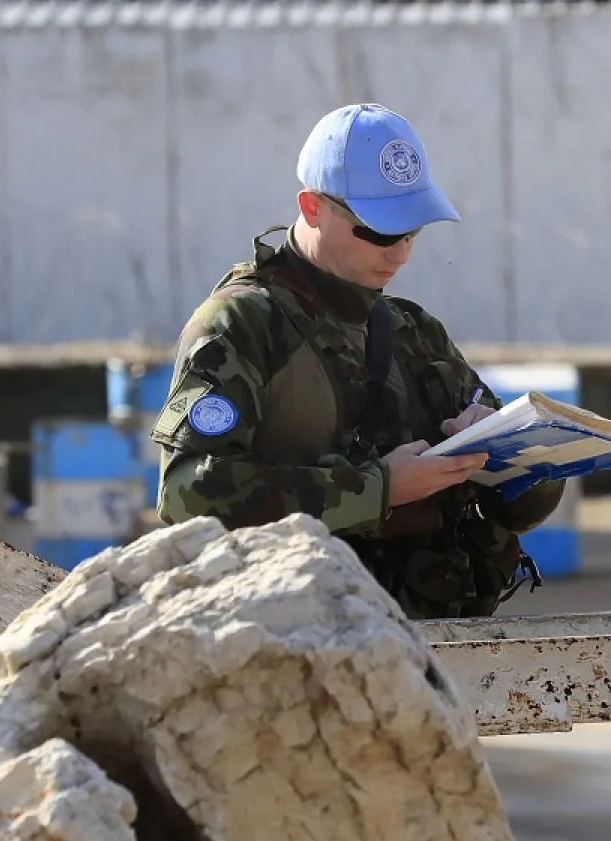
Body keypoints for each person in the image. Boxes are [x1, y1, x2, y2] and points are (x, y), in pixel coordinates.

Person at [149, 103, 565, 619]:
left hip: (432, 648)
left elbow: (522, 509)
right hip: (294, 645)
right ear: (312, 208)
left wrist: (517, 458)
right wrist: (378, 489)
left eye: (412, 232)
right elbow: (186, 493)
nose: (401, 254)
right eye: (379, 232)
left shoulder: (415, 331)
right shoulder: (243, 325)